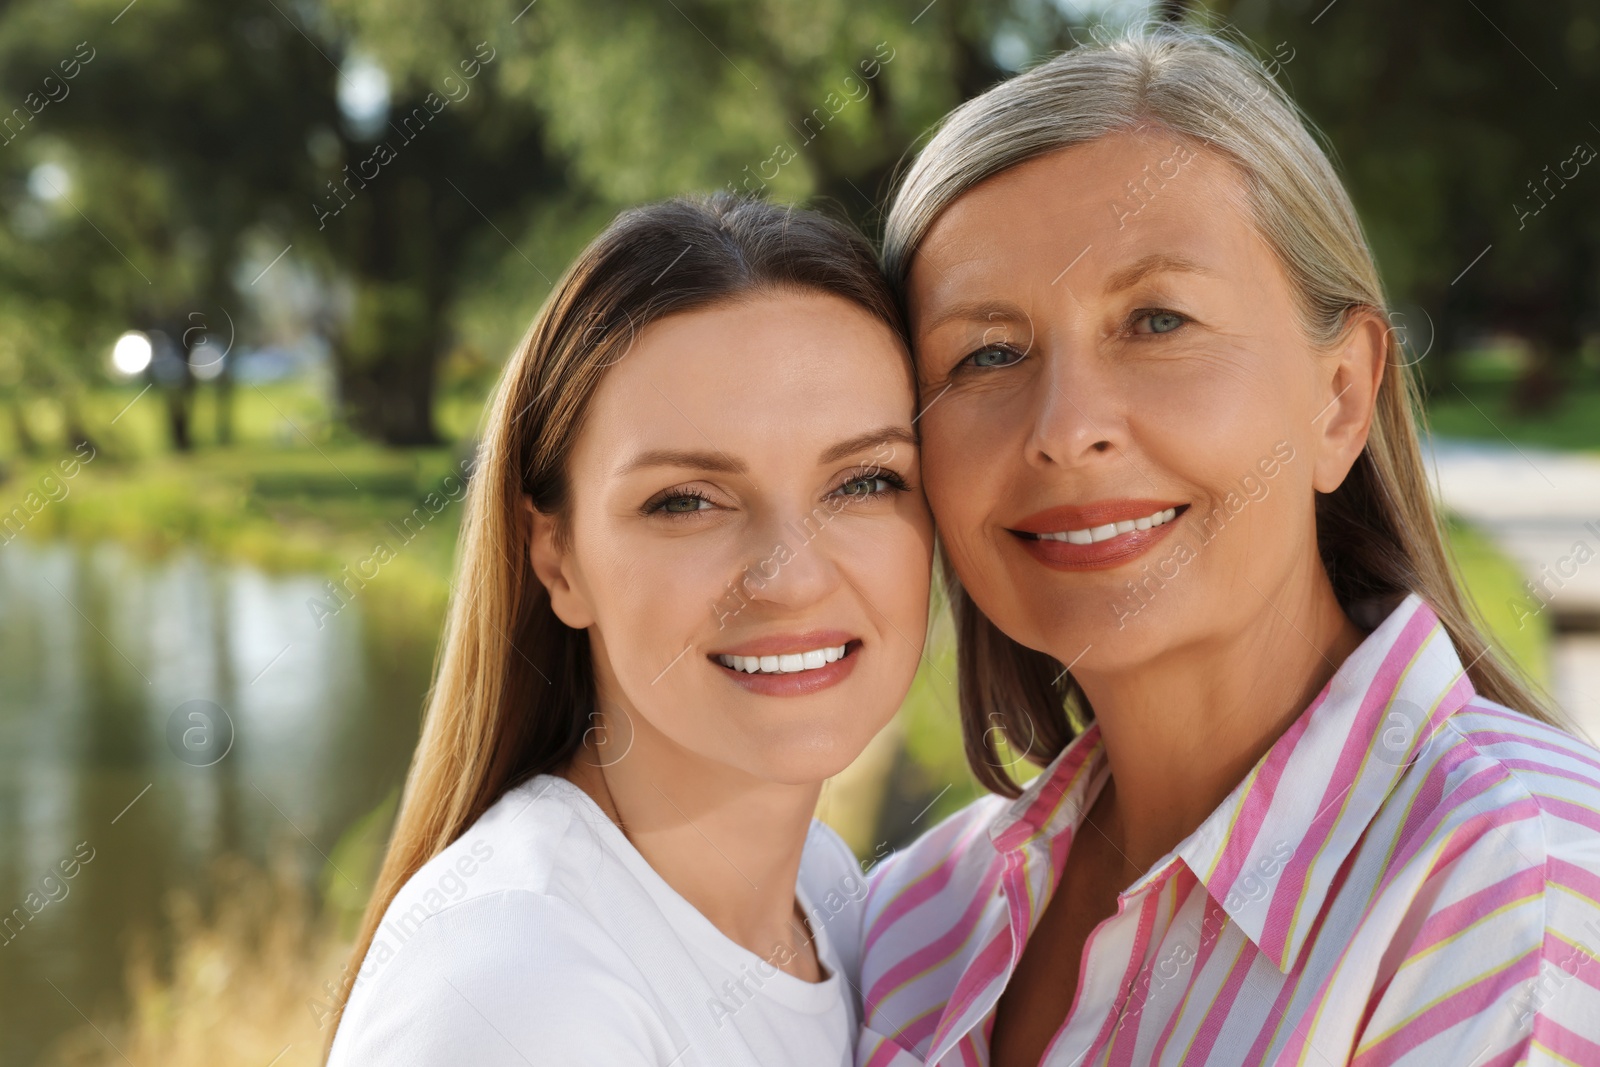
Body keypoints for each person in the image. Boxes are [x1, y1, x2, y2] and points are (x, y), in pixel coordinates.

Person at [857, 27, 1600, 1067]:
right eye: (986, 352)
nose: (1065, 427)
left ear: (1340, 398)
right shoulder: (903, 925)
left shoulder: (1520, 887)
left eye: (1156, 320)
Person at [324, 195, 934, 1066]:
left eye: (864, 481)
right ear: (558, 557)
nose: (794, 576)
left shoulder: (824, 890)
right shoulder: (523, 993)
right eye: (686, 500)